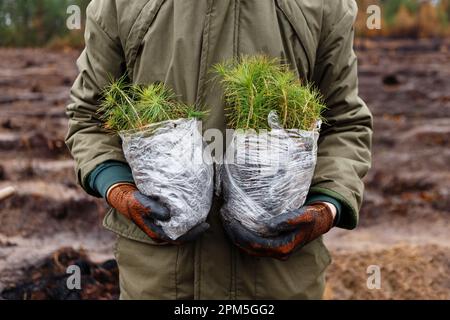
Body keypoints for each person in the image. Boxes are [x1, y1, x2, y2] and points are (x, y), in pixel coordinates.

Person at [66, 0, 372, 299]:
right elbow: (90, 117)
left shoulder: (323, 6)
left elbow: (345, 123)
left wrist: (326, 206)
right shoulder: (120, 5)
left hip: (279, 281)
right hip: (160, 280)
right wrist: (117, 187)